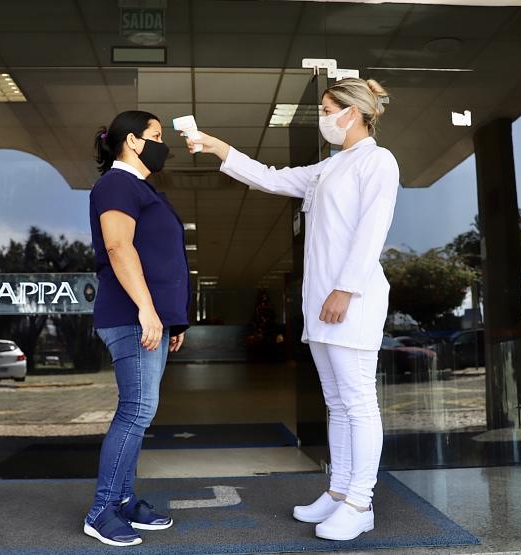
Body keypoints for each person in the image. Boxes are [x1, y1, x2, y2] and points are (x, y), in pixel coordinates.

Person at [184, 78, 399, 541]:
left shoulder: (378, 162)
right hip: (321, 304)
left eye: (328, 108)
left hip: (351, 300)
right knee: (337, 404)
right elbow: (269, 176)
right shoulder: (328, 167)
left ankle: (361, 502)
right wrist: (217, 147)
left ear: (354, 112)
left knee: (359, 402)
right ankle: (338, 492)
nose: (323, 117)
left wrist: (345, 289)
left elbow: (372, 231)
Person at [85, 110, 190, 547]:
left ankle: (126, 501)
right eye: (156, 135)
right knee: (136, 411)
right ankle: (102, 510)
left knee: (139, 411)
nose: (163, 144)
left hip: (150, 319)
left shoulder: (142, 188)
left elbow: (158, 258)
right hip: (131, 316)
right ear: (131, 141)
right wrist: (147, 309)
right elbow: (117, 245)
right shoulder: (116, 183)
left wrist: (172, 318)